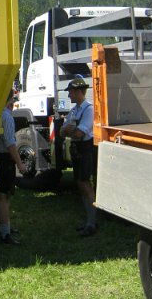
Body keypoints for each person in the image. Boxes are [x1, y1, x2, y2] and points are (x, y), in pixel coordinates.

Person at [59, 77, 97, 237]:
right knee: (80, 184)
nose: (69, 95)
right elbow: (62, 132)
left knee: (85, 184)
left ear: (78, 92)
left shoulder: (89, 109)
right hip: (77, 149)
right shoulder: (74, 110)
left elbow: (79, 133)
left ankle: (92, 222)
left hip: (86, 149)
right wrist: (68, 131)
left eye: (71, 92)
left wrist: (69, 131)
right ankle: (89, 220)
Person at [0, 89, 27, 245]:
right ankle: (5, 233)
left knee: (5, 195)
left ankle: (5, 226)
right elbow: (10, 143)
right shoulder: (7, 117)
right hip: (5, 159)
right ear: (10, 100)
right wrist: (20, 163)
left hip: (0, 157)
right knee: (5, 196)